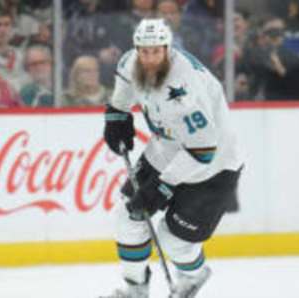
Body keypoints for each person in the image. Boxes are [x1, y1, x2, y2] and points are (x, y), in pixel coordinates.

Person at [102, 19, 243, 298]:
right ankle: (135, 290)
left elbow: (202, 151)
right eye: (144, 51)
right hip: (166, 148)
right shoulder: (132, 62)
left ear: (167, 49)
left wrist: (162, 186)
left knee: (174, 242)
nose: (150, 58)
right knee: (127, 216)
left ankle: (194, 277)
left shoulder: (185, 88)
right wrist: (117, 114)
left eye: (156, 51)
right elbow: (123, 89)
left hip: (212, 167)